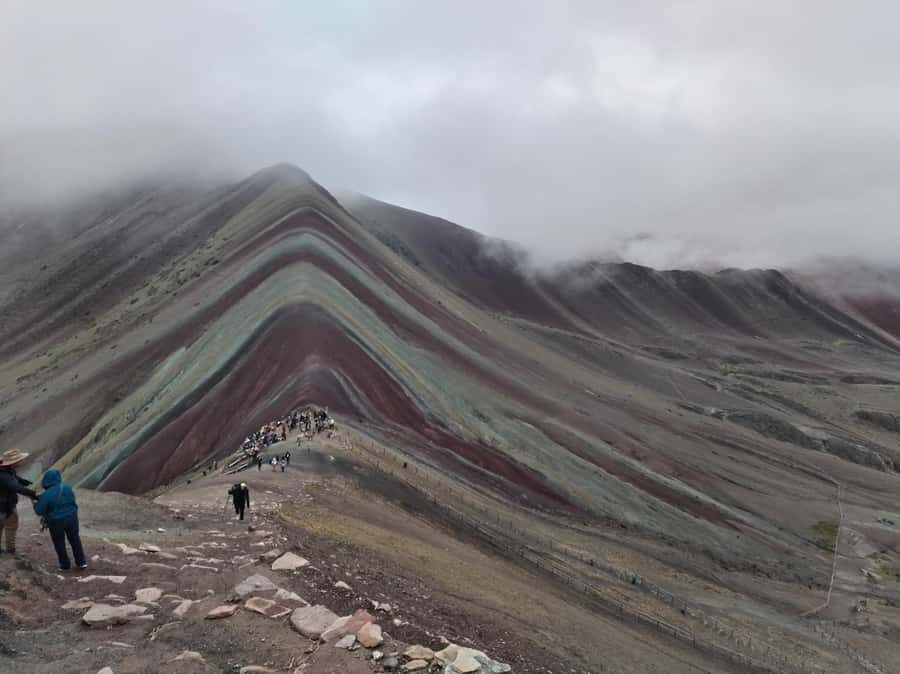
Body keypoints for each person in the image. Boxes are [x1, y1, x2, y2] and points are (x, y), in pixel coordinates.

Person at [33, 468, 86, 570]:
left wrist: (35, 504)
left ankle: (65, 565)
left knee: (59, 542)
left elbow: (39, 511)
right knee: (75, 539)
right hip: (72, 518)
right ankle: (81, 562)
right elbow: (72, 501)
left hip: (56, 521)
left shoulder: (46, 494)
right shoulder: (67, 488)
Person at [0, 449, 37, 555]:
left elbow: (14, 478)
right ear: (13, 462)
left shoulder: (4, 469)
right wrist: (32, 493)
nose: (21, 462)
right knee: (11, 526)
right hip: (6, 507)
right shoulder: (4, 476)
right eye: (19, 460)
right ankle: (10, 550)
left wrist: (23, 481)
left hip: (3, 505)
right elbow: (15, 487)